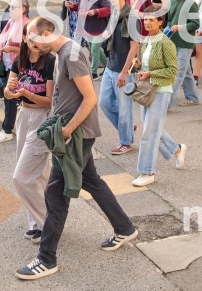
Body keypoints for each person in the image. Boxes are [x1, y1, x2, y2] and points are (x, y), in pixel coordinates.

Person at [16, 17, 137, 281]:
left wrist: (68, 130)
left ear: (47, 33)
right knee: (91, 181)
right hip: (73, 133)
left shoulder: (70, 54)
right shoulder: (64, 51)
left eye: (32, 38)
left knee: (56, 195)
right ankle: (125, 227)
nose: (30, 44)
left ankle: (46, 259)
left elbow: (90, 97)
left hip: (75, 135)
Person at [8, 24, 55, 243]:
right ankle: (34, 223)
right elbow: (9, 90)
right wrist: (10, 91)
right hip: (23, 116)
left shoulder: (51, 61)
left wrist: (28, 93)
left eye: (36, 36)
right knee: (38, 174)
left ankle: (48, 224)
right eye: (28, 35)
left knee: (22, 176)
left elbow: (50, 101)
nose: (32, 40)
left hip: (42, 118)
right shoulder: (20, 60)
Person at [131, 8, 186, 187]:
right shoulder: (147, 40)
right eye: (146, 20)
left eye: (152, 20)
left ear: (161, 22)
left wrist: (150, 74)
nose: (147, 23)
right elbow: (145, 66)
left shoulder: (166, 42)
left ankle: (147, 172)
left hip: (161, 91)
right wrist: (139, 65)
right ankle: (177, 148)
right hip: (148, 90)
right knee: (152, 129)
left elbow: (172, 71)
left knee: (149, 132)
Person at [99, 0, 139, 155]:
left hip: (123, 69)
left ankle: (126, 141)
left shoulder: (131, 16)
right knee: (105, 102)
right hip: (110, 65)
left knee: (124, 109)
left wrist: (124, 71)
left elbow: (134, 46)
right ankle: (128, 129)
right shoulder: (114, 13)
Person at [0, 0, 29, 143]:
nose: (10, 10)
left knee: (9, 97)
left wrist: (11, 48)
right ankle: (15, 127)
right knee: (11, 96)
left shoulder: (26, 25)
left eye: (13, 7)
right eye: (9, 7)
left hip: (19, 66)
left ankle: (7, 130)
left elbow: (30, 50)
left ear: (23, 9)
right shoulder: (12, 23)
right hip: (8, 64)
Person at [166, 0, 201, 106]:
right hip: (173, 41)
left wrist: (180, 27)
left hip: (185, 43)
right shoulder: (171, 1)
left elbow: (196, 24)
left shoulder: (190, 3)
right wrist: (168, 27)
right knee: (186, 72)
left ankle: (166, 102)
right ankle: (193, 97)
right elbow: (169, 19)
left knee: (177, 73)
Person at [75, 0, 111, 80]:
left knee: (95, 48)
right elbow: (80, 7)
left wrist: (95, 11)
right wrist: (72, 6)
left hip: (99, 26)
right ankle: (109, 64)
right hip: (88, 26)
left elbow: (107, 9)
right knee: (94, 49)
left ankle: (93, 72)